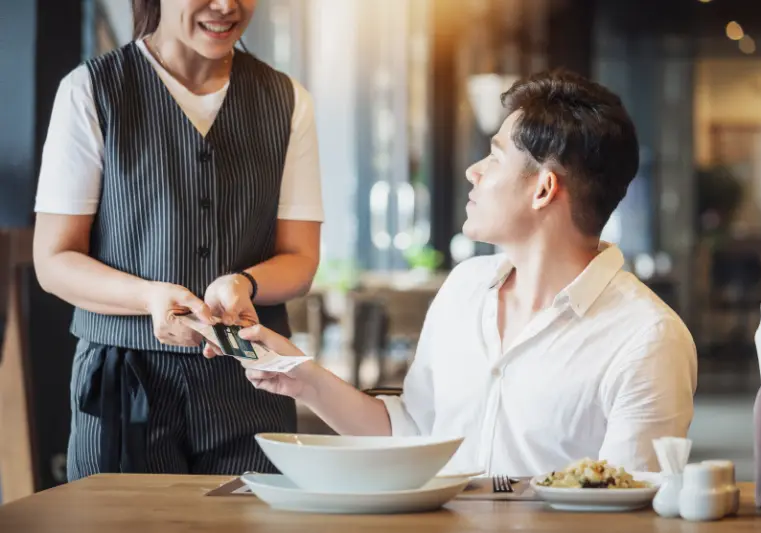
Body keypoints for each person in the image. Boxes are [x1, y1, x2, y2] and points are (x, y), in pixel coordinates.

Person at [229, 69, 697, 476]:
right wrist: (302, 377)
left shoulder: (647, 340)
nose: (474, 171)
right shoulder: (466, 287)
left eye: (494, 157)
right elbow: (411, 434)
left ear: (543, 189)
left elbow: (627, 510)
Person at [32, 0, 323, 480]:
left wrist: (245, 283)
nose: (227, 6)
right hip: (124, 384)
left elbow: (300, 258)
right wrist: (149, 297)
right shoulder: (91, 90)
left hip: (254, 380)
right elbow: (54, 258)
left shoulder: (287, 99)